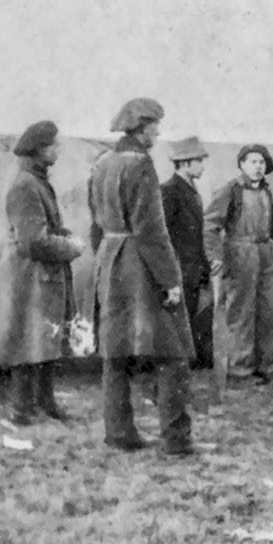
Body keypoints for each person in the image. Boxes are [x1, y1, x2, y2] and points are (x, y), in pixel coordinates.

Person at [87, 98, 194, 456]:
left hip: (110, 260)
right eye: (155, 127)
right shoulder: (141, 165)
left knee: (115, 354)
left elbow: (95, 224)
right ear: (141, 128)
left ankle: (119, 433)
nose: (158, 133)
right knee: (173, 353)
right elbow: (151, 230)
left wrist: (105, 260)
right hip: (139, 263)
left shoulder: (102, 163)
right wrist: (170, 281)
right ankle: (176, 439)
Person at [0, 121, 84, 426]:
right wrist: (71, 247)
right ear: (39, 149)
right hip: (28, 276)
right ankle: (22, 409)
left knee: (42, 339)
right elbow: (33, 242)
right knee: (26, 340)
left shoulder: (34, 180)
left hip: (36, 274)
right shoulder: (26, 185)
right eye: (54, 145)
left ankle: (43, 403)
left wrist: (64, 235)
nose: (58, 150)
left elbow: (42, 229)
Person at [203, 145, 273, 384]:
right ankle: (240, 369)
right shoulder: (230, 190)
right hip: (240, 253)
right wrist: (216, 257)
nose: (258, 166)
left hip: (265, 253)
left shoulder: (266, 191)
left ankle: (265, 364)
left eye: (261, 162)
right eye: (253, 162)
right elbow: (210, 226)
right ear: (241, 165)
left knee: (271, 310)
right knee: (241, 312)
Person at [161, 136, 213, 369]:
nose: (203, 166)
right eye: (199, 161)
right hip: (179, 266)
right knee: (177, 317)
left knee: (190, 314)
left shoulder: (192, 191)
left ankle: (186, 360)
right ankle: (176, 363)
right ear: (184, 163)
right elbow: (164, 233)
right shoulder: (169, 190)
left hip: (192, 266)